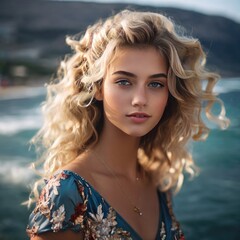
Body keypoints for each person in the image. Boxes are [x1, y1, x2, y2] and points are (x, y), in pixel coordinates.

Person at [26, 10, 229, 240]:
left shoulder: (156, 182)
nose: (140, 99)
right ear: (99, 88)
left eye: (155, 84)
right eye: (124, 81)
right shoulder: (67, 193)